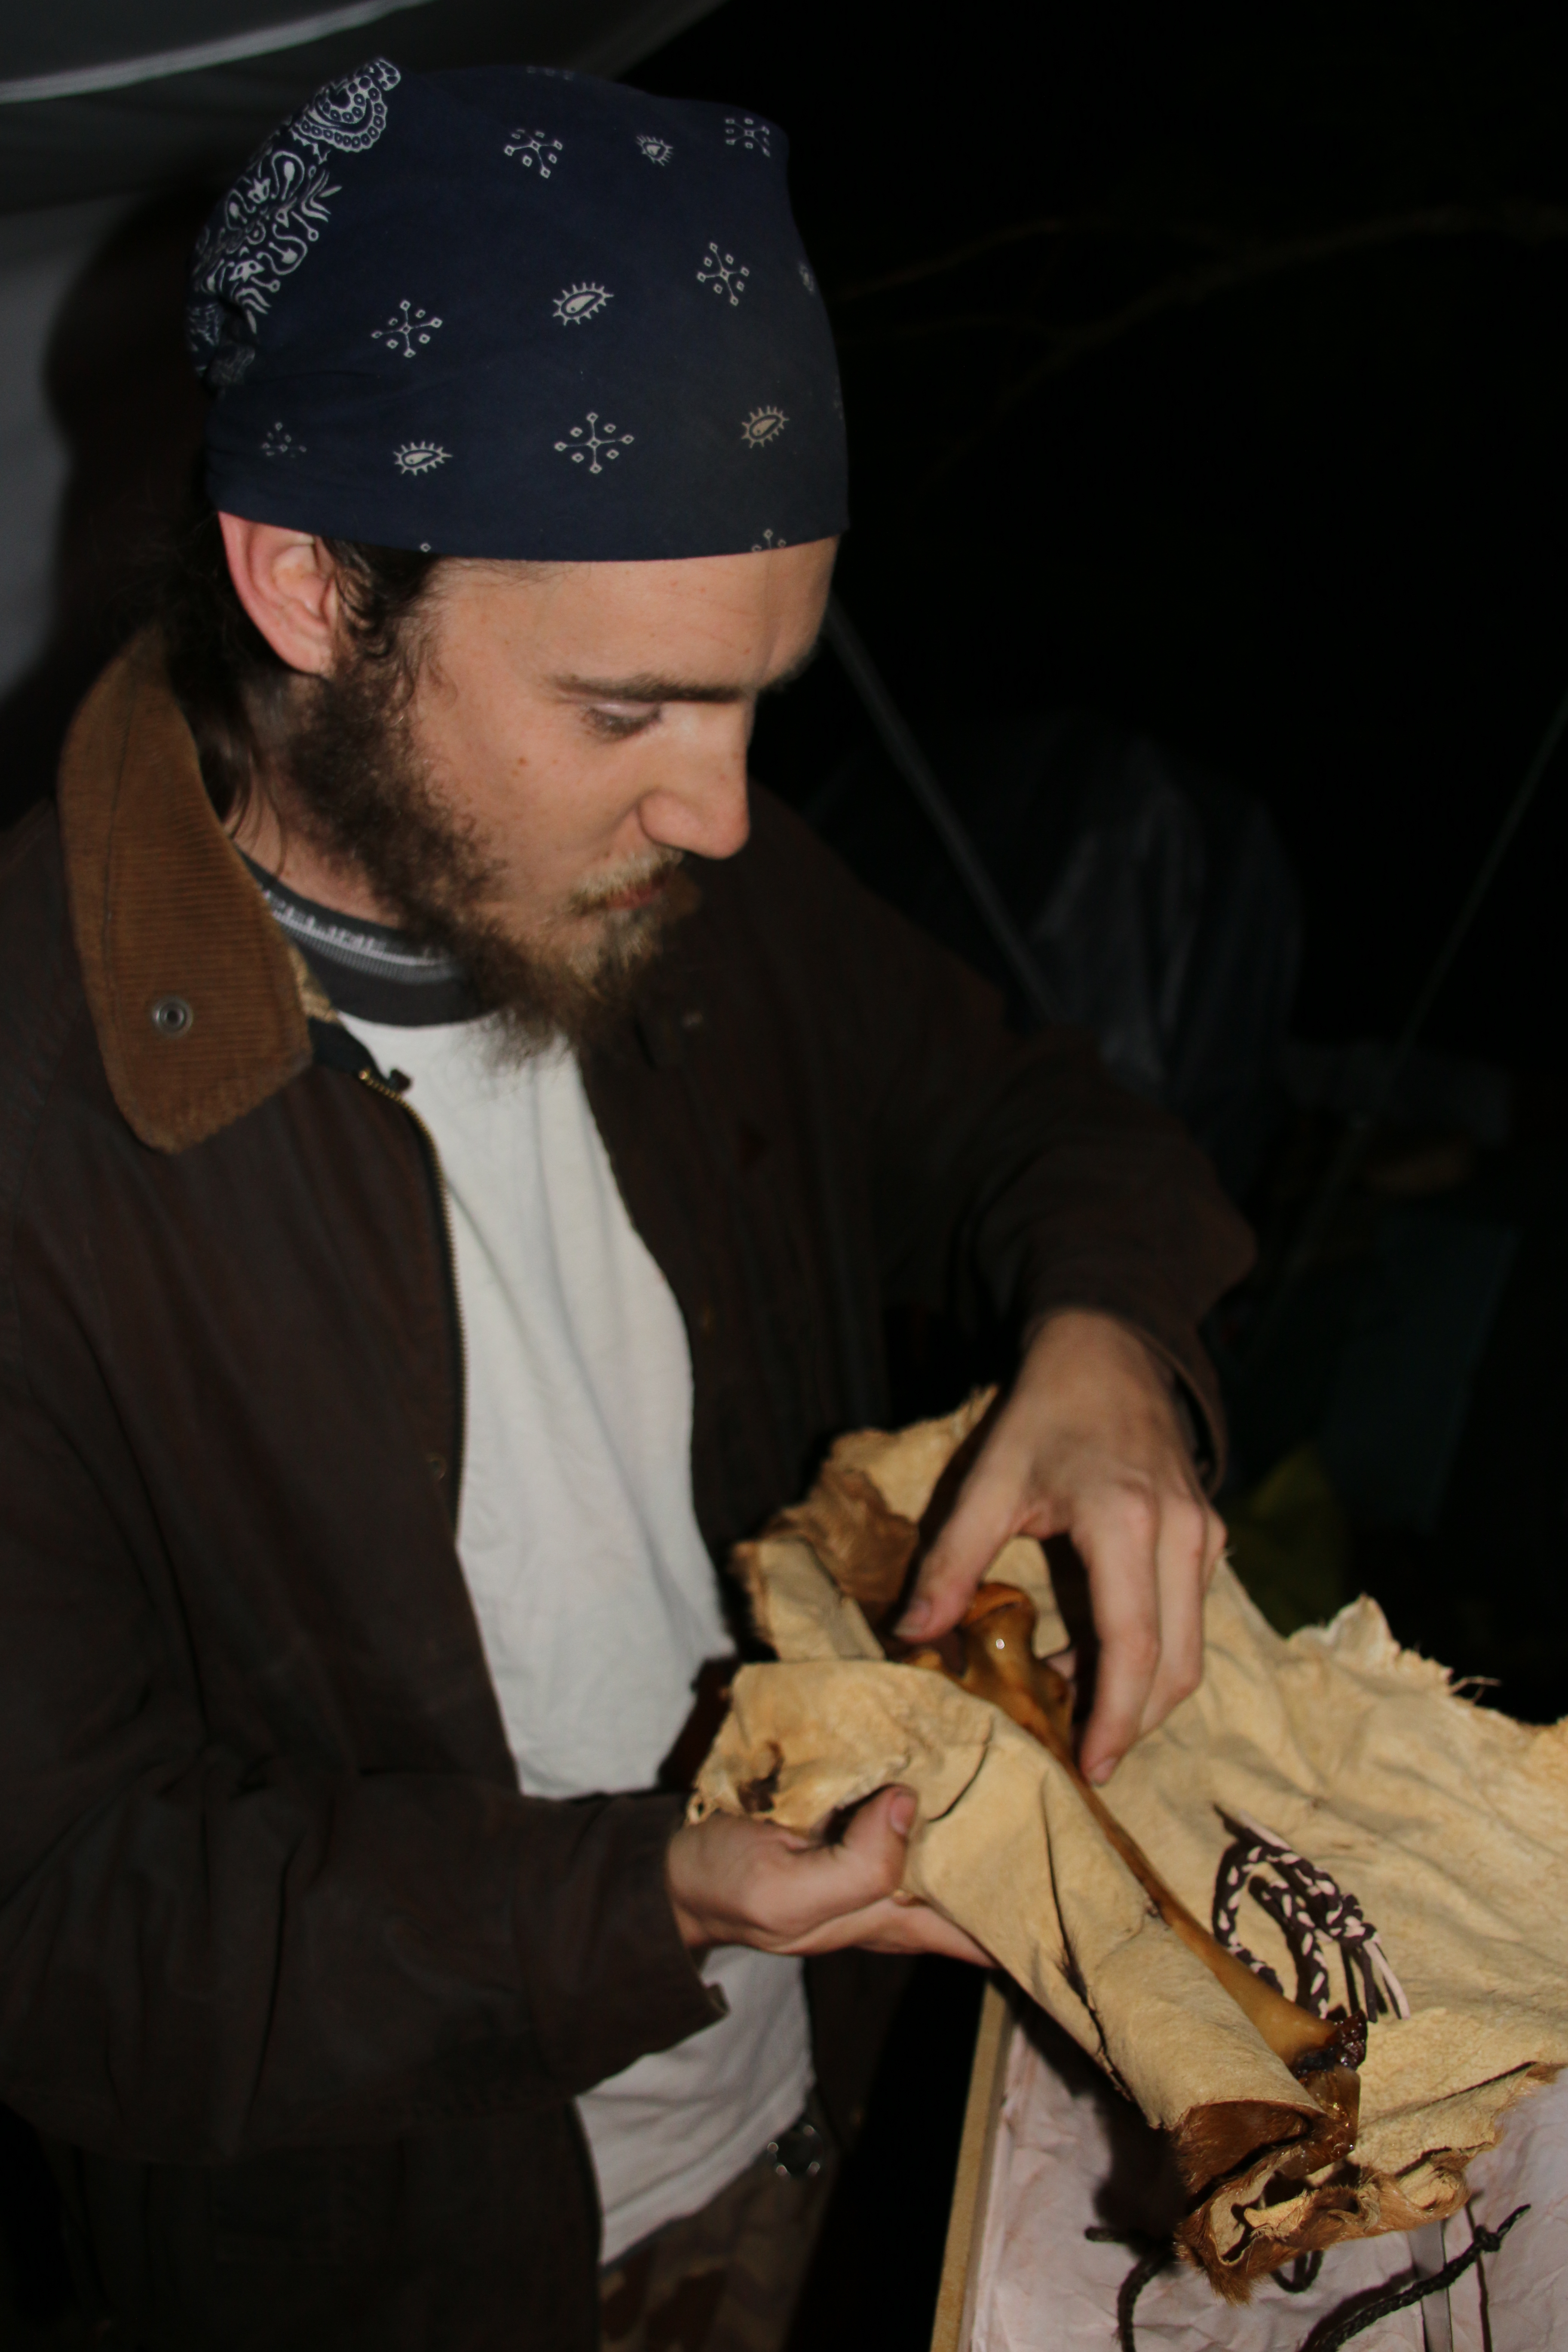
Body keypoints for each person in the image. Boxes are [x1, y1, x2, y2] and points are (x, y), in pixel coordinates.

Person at [0, 59, 1250, 2352]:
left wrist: (1109, 1344)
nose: (726, 813)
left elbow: (1034, 1119)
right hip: (419, 2275)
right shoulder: (31, 1137)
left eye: (758, 702)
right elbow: (69, 1934)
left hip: (841, 2117)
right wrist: (650, 1898)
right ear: (308, 584)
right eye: (628, 712)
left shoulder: (703, 897)